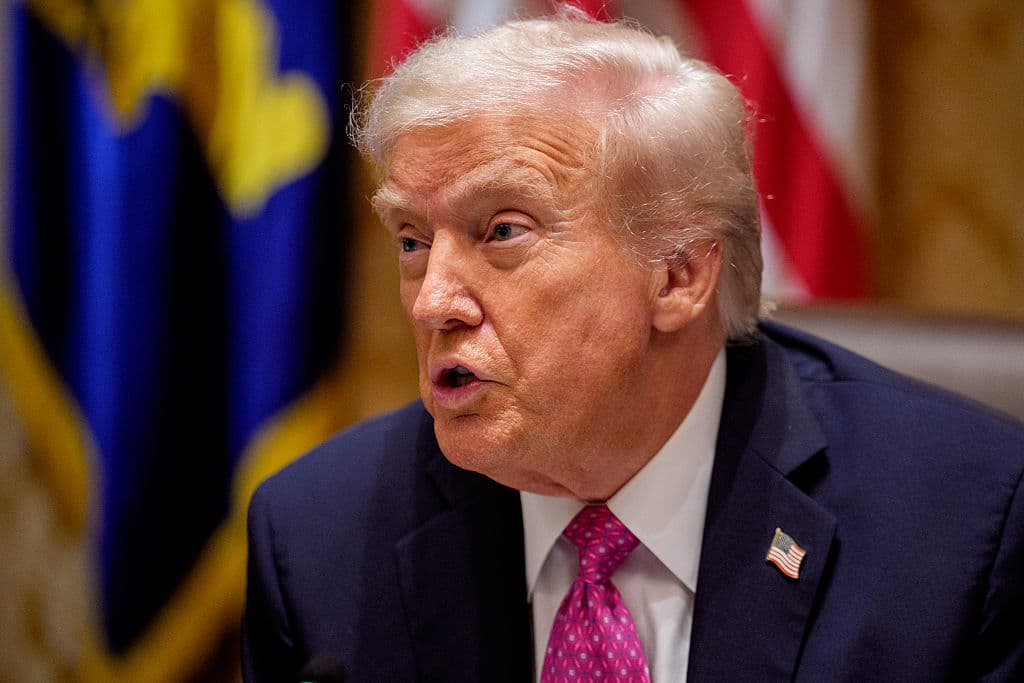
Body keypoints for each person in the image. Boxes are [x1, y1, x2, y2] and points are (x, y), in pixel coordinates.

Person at [241, 9, 1024, 682]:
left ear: (678, 275)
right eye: (413, 240)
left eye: (503, 230)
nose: (434, 300)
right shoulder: (318, 541)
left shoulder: (962, 529)